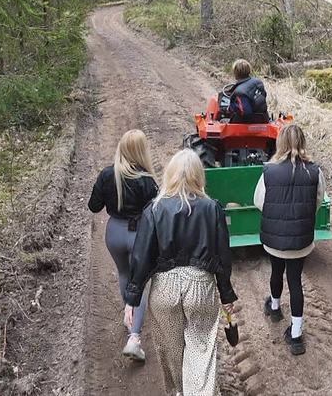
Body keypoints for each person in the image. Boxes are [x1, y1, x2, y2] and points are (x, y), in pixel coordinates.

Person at [126, 149, 237, 396]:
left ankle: (179, 391)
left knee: (172, 351)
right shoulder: (212, 208)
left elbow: (141, 256)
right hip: (200, 285)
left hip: (164, 288)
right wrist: (227, 295)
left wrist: (132, 298)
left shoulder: (153, 210)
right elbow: (222, 258)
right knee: (200, 351)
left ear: (170, 175)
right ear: (199, 176)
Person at [88, 129, 159, 362]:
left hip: (115, 233)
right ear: (141, 151)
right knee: (140, 282)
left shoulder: (107, 175)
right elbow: (157, 213)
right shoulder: (147, 180)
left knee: (124, 274)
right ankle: (134, 338)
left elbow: (94, 206)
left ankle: (128, 314)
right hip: (139, 233)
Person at [254, 124, 325, 355]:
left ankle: (274, 308)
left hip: (275, 238)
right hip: (301, 238)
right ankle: (295, 335)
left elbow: (259, 201)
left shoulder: (269, 170)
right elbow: (317, 201)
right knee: (295, 280)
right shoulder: (314, 171)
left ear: (280, 143)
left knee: (276, 271)